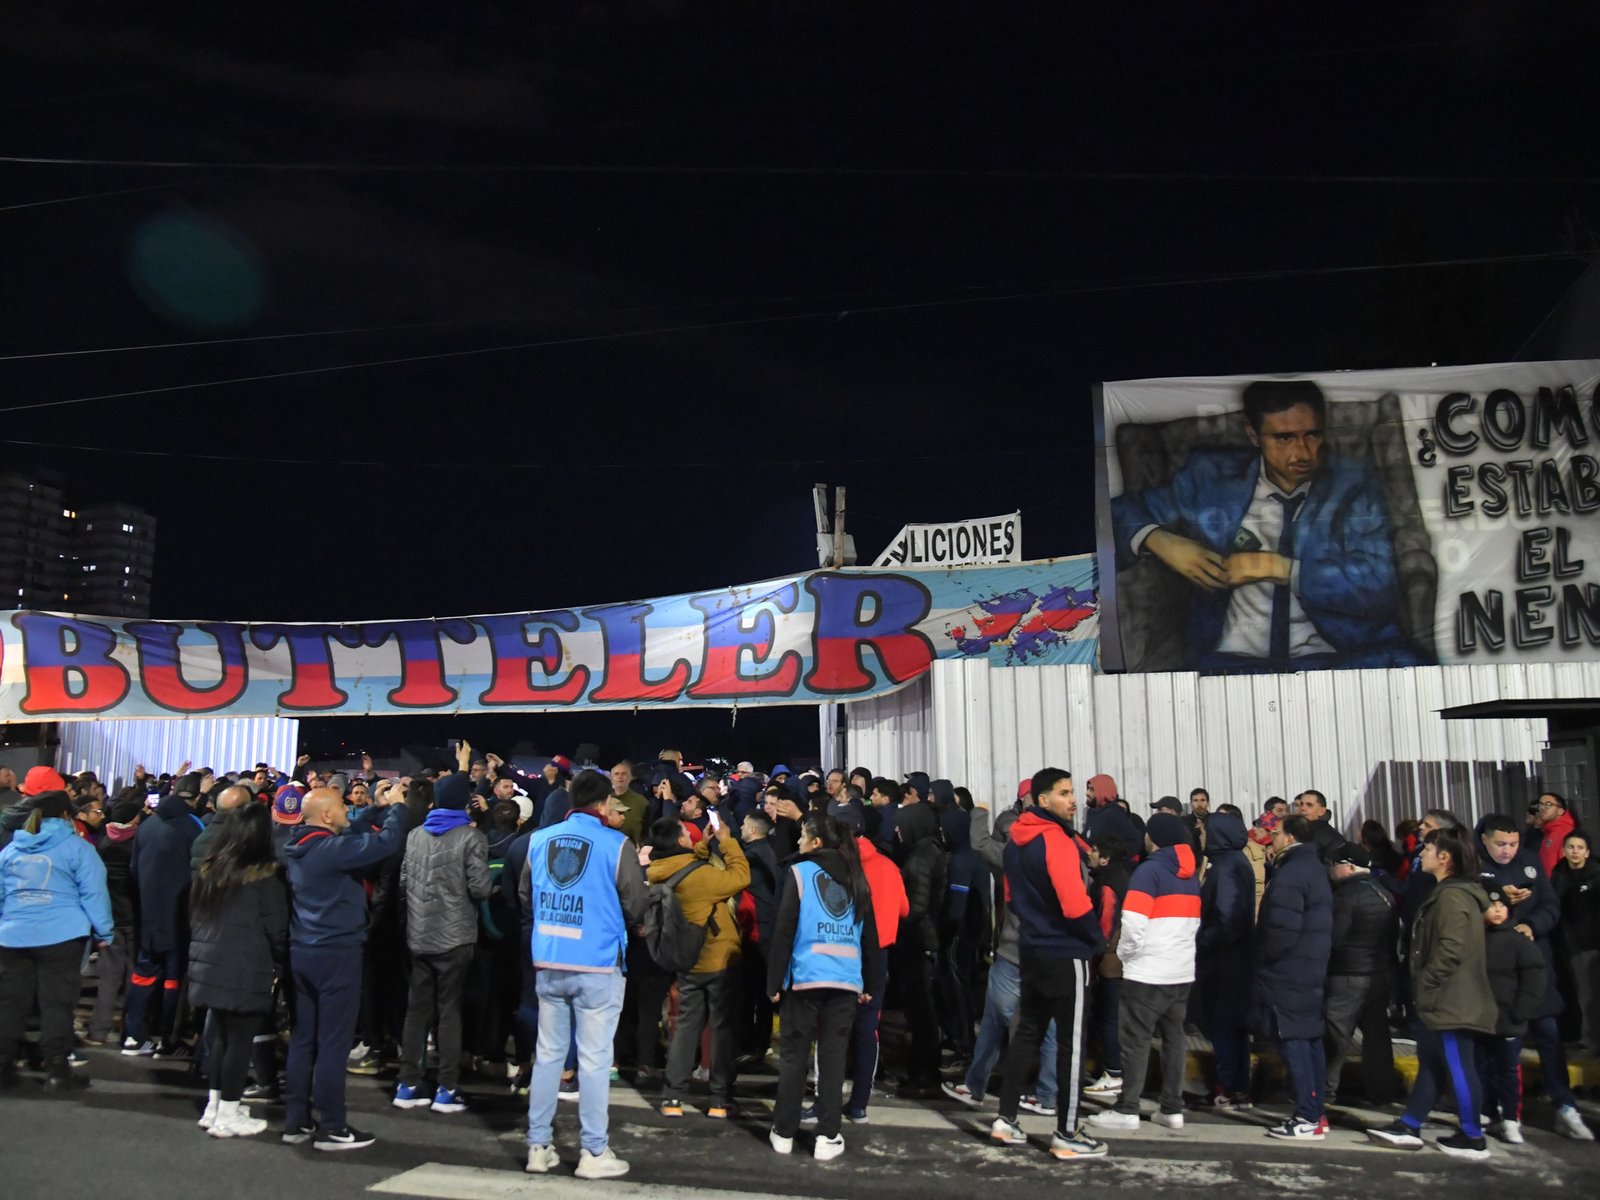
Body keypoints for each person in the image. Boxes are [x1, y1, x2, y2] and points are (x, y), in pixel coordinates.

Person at [1109, 377, 1425, 672]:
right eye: (1284, 438)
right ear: (1253, 435)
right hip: (1231, 663)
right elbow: (1118, 513)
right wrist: (1161, 541)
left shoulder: (1352, 484)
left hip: (1337, 657)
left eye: (1311, 435)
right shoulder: (1211, 478)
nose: (1302, 452)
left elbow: (1379, 583)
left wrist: (1281, 568)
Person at [522, 769, 649, 1180]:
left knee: (548, 1056)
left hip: (550, 958)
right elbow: (635, 904)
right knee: (594, 1060)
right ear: (603, 804)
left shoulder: (539, 841)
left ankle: (538, 1146)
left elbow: (526, 894)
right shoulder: (616, 844)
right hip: (597, 962)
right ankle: (593, 1151)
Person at [279, 785, 408, 1151]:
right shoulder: (331, 851)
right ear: (326, 816)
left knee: (304, 1039)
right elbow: (386, 844)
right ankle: (332, 1126)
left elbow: (351, 832)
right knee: (333, 1043)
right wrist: (397, 808)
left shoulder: (301, 846)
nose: (348, 812)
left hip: (302, 949)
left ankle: (297, 1121)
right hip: (337, 952)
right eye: (341, 808)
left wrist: (373, 810)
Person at [989, 768, 1109, 1163]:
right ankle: (1067, 1131)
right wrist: (1096, 939)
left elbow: (1011, 898)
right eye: (1063, 793)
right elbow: (1075, 904)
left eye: (1073, 792)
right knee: (1070, 1044)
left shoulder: (1014, 843)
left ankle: (1006, 1119)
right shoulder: (1056, 841)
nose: (1073, 799)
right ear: (1043, 800)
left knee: (1026, 1033)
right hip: (1066, 951)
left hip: (1031, 948)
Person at [1368, 827, 1497, 1160]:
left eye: (1427, 849)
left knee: (1458, 1065)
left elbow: (1451, 948)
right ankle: (1410, 1124)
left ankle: (1472, 1136)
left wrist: (1425, 982)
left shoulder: (1453, 897)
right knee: (1433, 1064)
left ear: (1445, 857)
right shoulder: (1447, 892)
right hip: (1442, 998)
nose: (1420, 854)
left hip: (1452, 999)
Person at [766, 811, 883, 1162]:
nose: (798, 841)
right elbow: (871, 937)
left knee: (793, 1056)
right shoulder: (857, 877)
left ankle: (784, 1132)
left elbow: (784, 929)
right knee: (832, 1060)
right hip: (845, 979)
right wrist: (870, 983)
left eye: (802, 835)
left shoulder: (800, 872)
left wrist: (775, 980)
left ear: (816, 842)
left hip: (805, 977)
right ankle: (827, 1136)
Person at [1473, 812, 1593, 1141]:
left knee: (1550, 1039)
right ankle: (1497, 1110)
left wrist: (1532, 925)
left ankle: (1564, 1106)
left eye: (1513, 844)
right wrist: (1501, 904)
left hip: (1536, 969)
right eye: (1500, 844)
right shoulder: (1473, 867)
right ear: (1485, 840)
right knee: (1498, 1050)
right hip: (1497, 977)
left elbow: (1551, 905)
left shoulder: (1530, 862)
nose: (1507, 851)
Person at [1087, 812, 1200, 1134]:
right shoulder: (1189, 873)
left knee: (1135, 1041)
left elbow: (1133, 923)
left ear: (1155, 838)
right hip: (1181, 970)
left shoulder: (1149, 872)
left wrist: (1126, 956)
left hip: (1149, 972)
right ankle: (1171, 1108)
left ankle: (1127, 1108)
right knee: (1174, 1039)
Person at [0, 790, 114, 1091]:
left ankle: (3, 1066)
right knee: (57, 1006)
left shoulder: (12, 850)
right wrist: (104, 932)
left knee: (10, 1005)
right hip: (62, 936)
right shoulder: (77, 847)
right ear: (66, 815)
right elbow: (94, 893)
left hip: (12, 936)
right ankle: (56, 1071)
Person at [392, 772, 492, 1115]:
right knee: (449, 1011)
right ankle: (446, 1088)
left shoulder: (415, 835)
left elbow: (404, 884)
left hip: (418, 935)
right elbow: (479, 889)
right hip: (455, 937)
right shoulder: (470, 837)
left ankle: (407, 1084)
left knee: (417, 1009)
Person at [187, 804, 287, 1139]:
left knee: (221, 1037)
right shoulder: (263, 876)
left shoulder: (211, 868)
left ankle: (215, 1106)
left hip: (209, 963)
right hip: (244, 966)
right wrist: (281, 961)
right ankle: (228, 1112)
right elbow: (277, 928)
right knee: (239, 1042)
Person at [646, 813, 750, 1120]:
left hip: (687, 960)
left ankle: (673, 1097)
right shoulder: (700, 877)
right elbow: (740, 877)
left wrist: (704, 845)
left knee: (686, 1028)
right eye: (686, 835)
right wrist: (727, 841)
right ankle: (719, 1099)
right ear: (680, 840)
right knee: (720, 1029)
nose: (690, 837)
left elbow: (692, 864)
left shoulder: (661, 871)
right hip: (717, 959)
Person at [1251, 814, 1333, 1140]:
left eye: (1276, 833)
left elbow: (1282, 930)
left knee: (1295, 1042)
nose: (1272, 838)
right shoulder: (1314, 869)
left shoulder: (1291, 874)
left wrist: (1264, 959)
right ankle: (1316, 1112)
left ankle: (1306, 1117)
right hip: (1309, 969)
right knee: (1310, 1041)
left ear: (1289, 837)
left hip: (1289, 972)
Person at [123, 772, 205, 1057]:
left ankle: (133, 1035)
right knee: (174, 980)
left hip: (149, 914)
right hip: (179, 916)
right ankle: (168, 1039)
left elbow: (133, 869)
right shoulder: (194, 826)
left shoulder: (146, 826)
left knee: (143, 974)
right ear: (195, 798)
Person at [834, 801, 906, 1122]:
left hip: (842, 952)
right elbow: (904, 909)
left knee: (834, 1029)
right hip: (880, 954)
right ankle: (859, 1102)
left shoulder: (838, 866)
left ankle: (826, 1100)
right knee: (867, 1029)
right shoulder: (888, 865)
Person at [1322, 844, 1398, 1106]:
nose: (1331, 870)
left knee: (1336, 1036)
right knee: (1377, 1038)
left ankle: (1325, 1090)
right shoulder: (1384, 894)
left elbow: (1336, 940)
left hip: (1348, 976)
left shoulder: (1346, 896)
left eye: (1334, 864)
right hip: (1378, 976)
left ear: (1349, 866)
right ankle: (1382, 1091)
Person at [1196, 810, 1255, 1107]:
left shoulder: (1228, 868)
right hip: (1229, 959)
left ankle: (1228, 1087)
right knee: (1232, 1026)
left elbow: (1227, 917)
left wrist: (1201, 942)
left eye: (1205, 831)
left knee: (1225, 1026)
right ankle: (1236, 1086)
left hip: (1224, 962)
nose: (1201, 836)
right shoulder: (1229, 863)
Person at [1478, 893, 1547, 1145]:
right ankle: (1485, 1112)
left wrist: (1521, 1010)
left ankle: (1510, 1118)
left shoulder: (1519, 942)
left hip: (1509, 1018)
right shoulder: (1475, 939)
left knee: (1507, 1070)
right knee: (1480, 1067)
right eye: (1491, 906)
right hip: (1480, 1018)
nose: (1496, 911)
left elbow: (1535, 976)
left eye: (1501, 906)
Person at [893, 796, 948, 1097]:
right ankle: (925, 1068)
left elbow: (916, 907)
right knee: (922, 1009)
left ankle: (923, 1073)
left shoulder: (920, 858)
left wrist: (893, 918)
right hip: (924, 937)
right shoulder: (930, 850)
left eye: (901, 826)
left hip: (917, 941)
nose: (898, 832)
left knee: (920, 1010)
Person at [1552, 829, 1600, 1054]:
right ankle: (1575, 1035)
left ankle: (1592, 1042)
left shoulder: (1595, 875)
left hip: (1589, 943)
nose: (1575, 852)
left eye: (1580, 848)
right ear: (1563, 850)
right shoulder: (1559, 873)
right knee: (1571, 991)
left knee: (1589, 994)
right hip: (1564, 942)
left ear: (1588, 852)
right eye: (1571, 847)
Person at [1532, 793, 1577, 877]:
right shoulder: (1548, 832)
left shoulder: (1566, 832)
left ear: (1560, 811)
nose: (1542, 808)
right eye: (1540, 804)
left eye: (1548, 804)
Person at [608, 761, 648, 845]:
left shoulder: (641, 802)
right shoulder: (604, 801)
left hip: (634, 849)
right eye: (616, 774)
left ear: (630, 778)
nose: (620, 776)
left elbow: (647, 829)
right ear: (611, 778)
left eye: (624, 774)